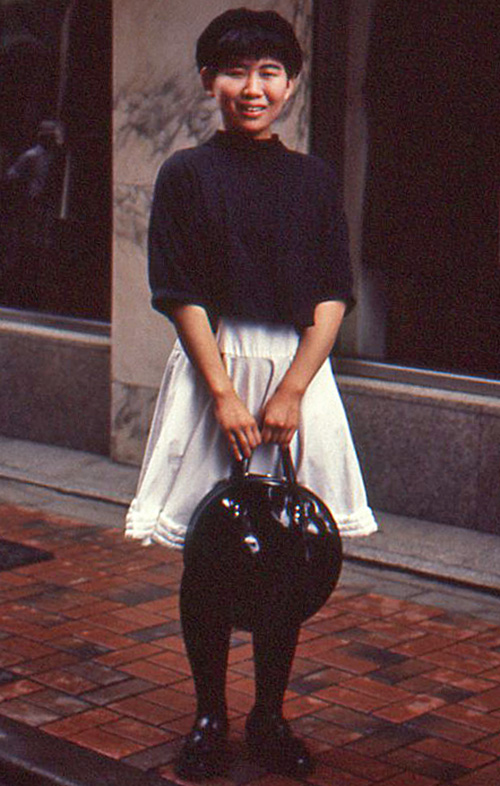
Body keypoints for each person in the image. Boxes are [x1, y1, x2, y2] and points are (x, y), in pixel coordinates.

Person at [125, 8, 377, 780]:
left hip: (296, 374)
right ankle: (210, 717)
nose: (253, 87)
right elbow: (178, 290)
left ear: (292, 83)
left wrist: (293, 389)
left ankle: (270, 716)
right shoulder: (185, 174)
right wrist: (225, 396)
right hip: (216, 369)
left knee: (287, 552)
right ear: (209, 80)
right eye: (236, 71)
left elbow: (332, 292)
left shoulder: (314, 180)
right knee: (210, 554)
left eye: (270, 72)